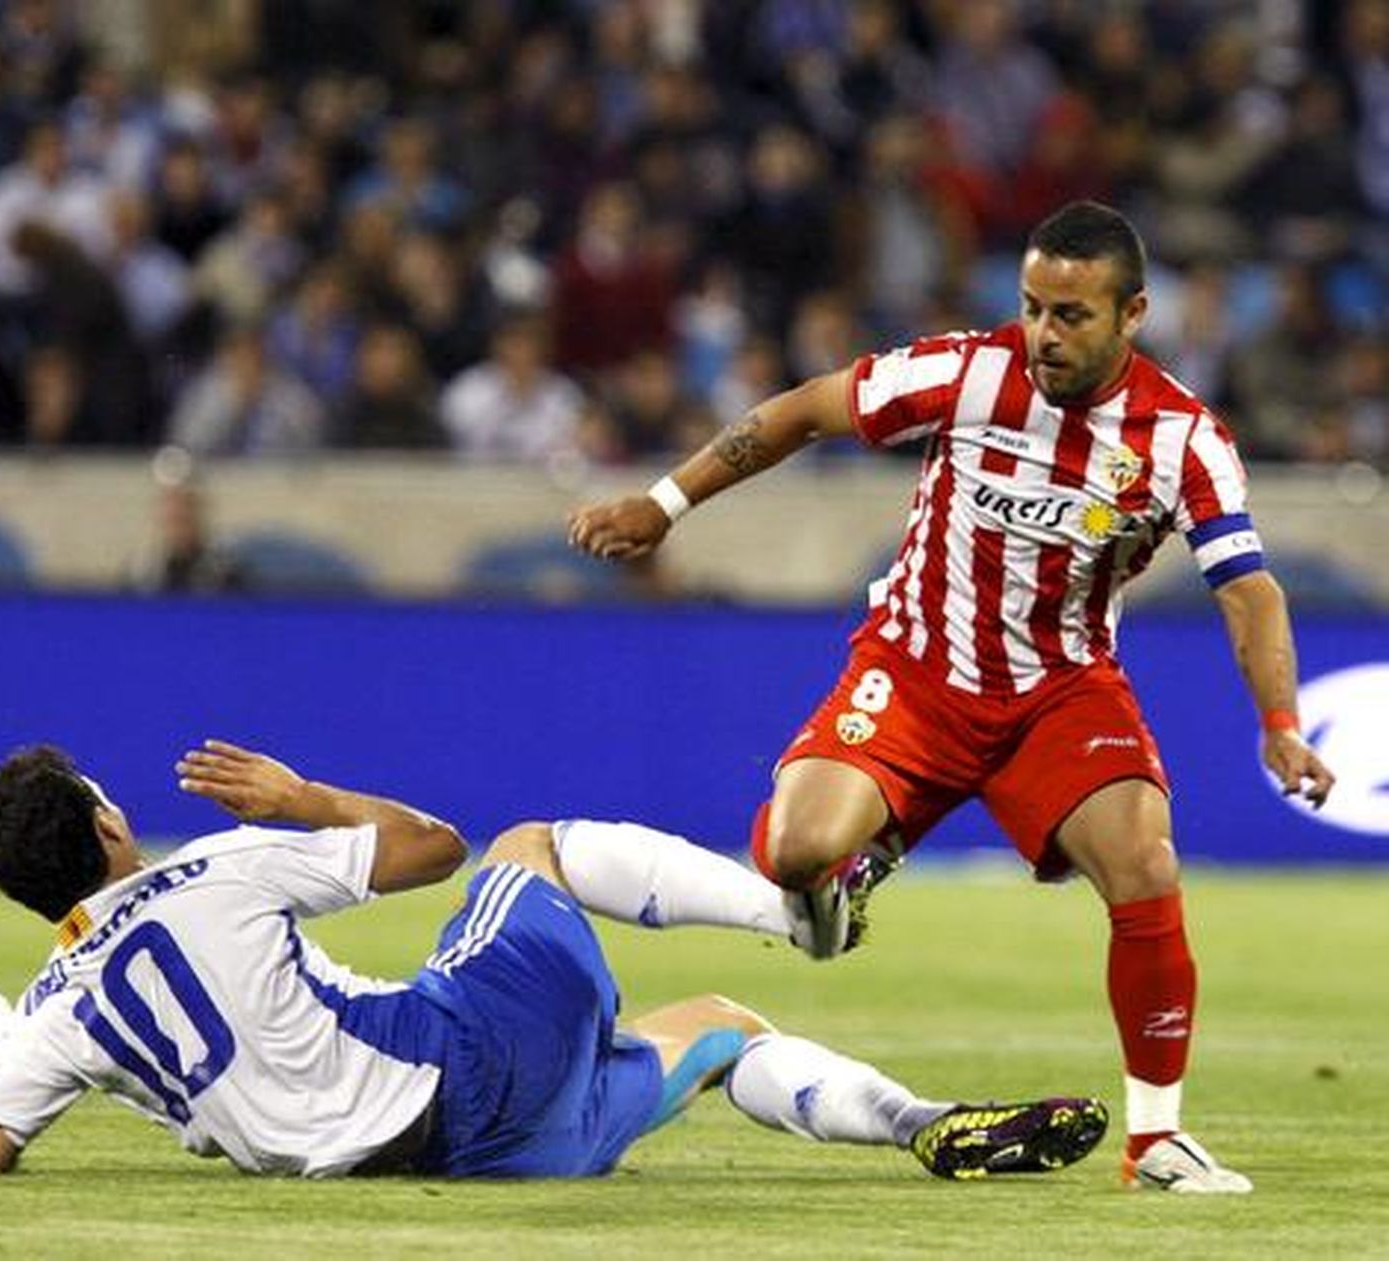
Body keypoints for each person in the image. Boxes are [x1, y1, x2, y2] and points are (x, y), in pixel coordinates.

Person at [568, 200, 1336, 1195]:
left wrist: (1278, 724)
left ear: (1132, 313)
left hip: (1059, 694)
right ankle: (833, 890)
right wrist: (662, 504)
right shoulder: (968, 372)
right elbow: (803, 408)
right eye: (1032, 308)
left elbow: (1248, 590)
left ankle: (1156, 1141)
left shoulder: (1183, 439)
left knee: (1145, 857)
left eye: (1071, 316)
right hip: (915, 673)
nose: (1044, 335)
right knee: (793, 851)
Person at [0, 739, 1108, 1181]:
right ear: (105, 828)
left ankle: (924, 1123)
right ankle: (791, 910)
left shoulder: (49, 1019)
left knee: (717, 1028)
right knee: (528, 844)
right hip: (459, 1061)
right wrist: (303, 798)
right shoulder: (217, 869)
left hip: (473, 1159)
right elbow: (433, 852)